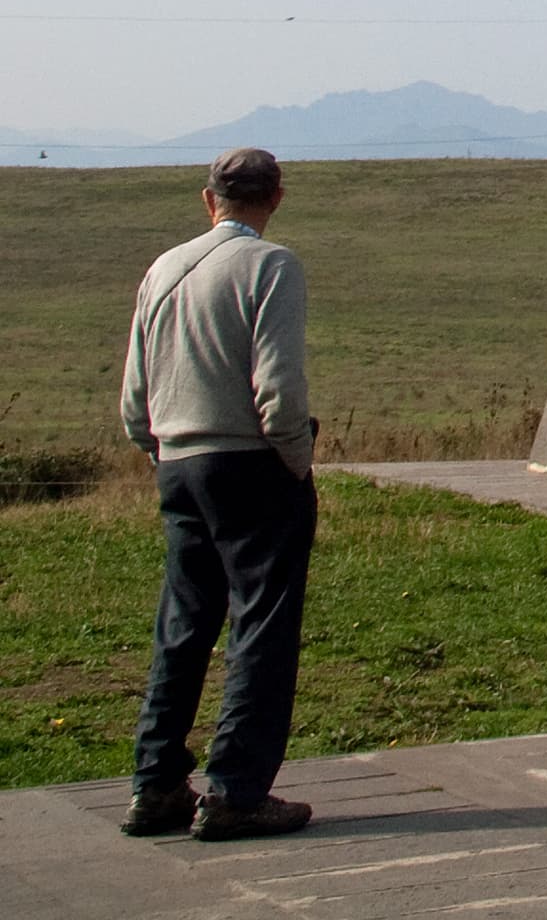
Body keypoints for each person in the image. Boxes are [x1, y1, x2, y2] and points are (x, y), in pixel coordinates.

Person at [117, 145, 319, 843]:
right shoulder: (272, 266)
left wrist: (162, 449)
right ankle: (235, 790)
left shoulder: (164, 268)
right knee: (261, 624)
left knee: (183, 624)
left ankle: (155, 783)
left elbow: (135, 397)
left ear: (210, 200)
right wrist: (296, 461)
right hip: (251, 463)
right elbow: (280, 388)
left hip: (177, 459)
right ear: (276, 198)